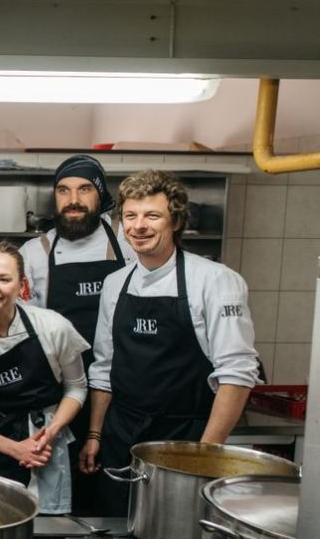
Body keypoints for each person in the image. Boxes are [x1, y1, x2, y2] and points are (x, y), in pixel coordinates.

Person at [80, 170, 260, 517]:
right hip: (122, 435)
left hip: (185, 437)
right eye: (130, 216)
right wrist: (95, 435)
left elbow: (237, 374)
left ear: (175, 221)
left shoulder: (215, 281)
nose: (139, 226)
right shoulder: (116, 283)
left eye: (152, 215)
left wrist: (206, 455)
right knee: (116, 523)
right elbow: (104, 367)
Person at [17, 154, 135, 514]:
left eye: (84, 189)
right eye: (64, 190)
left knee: (115, 495)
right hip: (62, 394)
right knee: (65, 497)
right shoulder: (35, 253)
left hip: (122, 394)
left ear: (101, 195)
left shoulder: (128, 244)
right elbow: (25, 330)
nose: (73, 200)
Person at [0, 242, 87, 514]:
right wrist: (15, 449)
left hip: (47, 443)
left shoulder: (53, 327)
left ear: (22, 285)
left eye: (3, 279)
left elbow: (77, 388)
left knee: (51, 525)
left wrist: (50, 433)